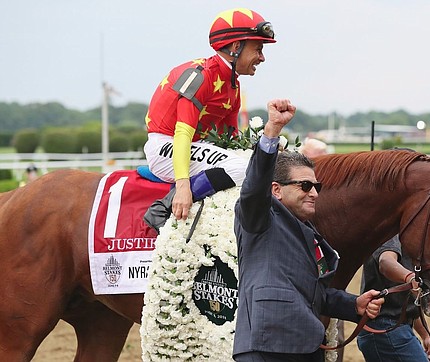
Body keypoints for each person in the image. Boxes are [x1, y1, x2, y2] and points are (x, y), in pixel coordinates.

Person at [233, 99, 385, 362]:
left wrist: (354, 304)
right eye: (305, 186)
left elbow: (316, 295)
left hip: (307, 347)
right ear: (276, 190)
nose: (314, 193)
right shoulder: (259, 216)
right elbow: (255, 185)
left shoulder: (310, 232)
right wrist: (272, 132)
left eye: (317, 187)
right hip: (267, 348)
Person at [143, 8, 277, 221]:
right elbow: (183, 134)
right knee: (242, 167)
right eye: (258, 49)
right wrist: (183, 186)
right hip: (166, 146)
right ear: (235, 47)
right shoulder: (199, 76)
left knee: (254, 162)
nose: (262, 58)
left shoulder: (233, 87)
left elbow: (231, 141)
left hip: (192, 147)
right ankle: (164, 207)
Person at [357, 234, 430, 362]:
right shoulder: (389, 232)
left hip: (395, 329)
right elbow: (385, 261)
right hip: (385, 330)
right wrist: (410, 277)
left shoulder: (408, 237)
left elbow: (407, 302)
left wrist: (426, 335)